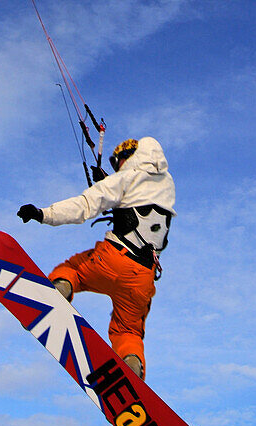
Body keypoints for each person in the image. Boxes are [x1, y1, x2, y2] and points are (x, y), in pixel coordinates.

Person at [17, 136, 175, 380]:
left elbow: (84, 205)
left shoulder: (124, 177)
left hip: (112, 258)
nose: (117, 166)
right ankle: (132, 368)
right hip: (143, 276)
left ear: (130, 156)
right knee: (129, 331)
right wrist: (112, 185)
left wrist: (43, 214)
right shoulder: (167, 185)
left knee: (73, 271)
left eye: (119, 161)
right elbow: (140, 200)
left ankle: (57, 292)